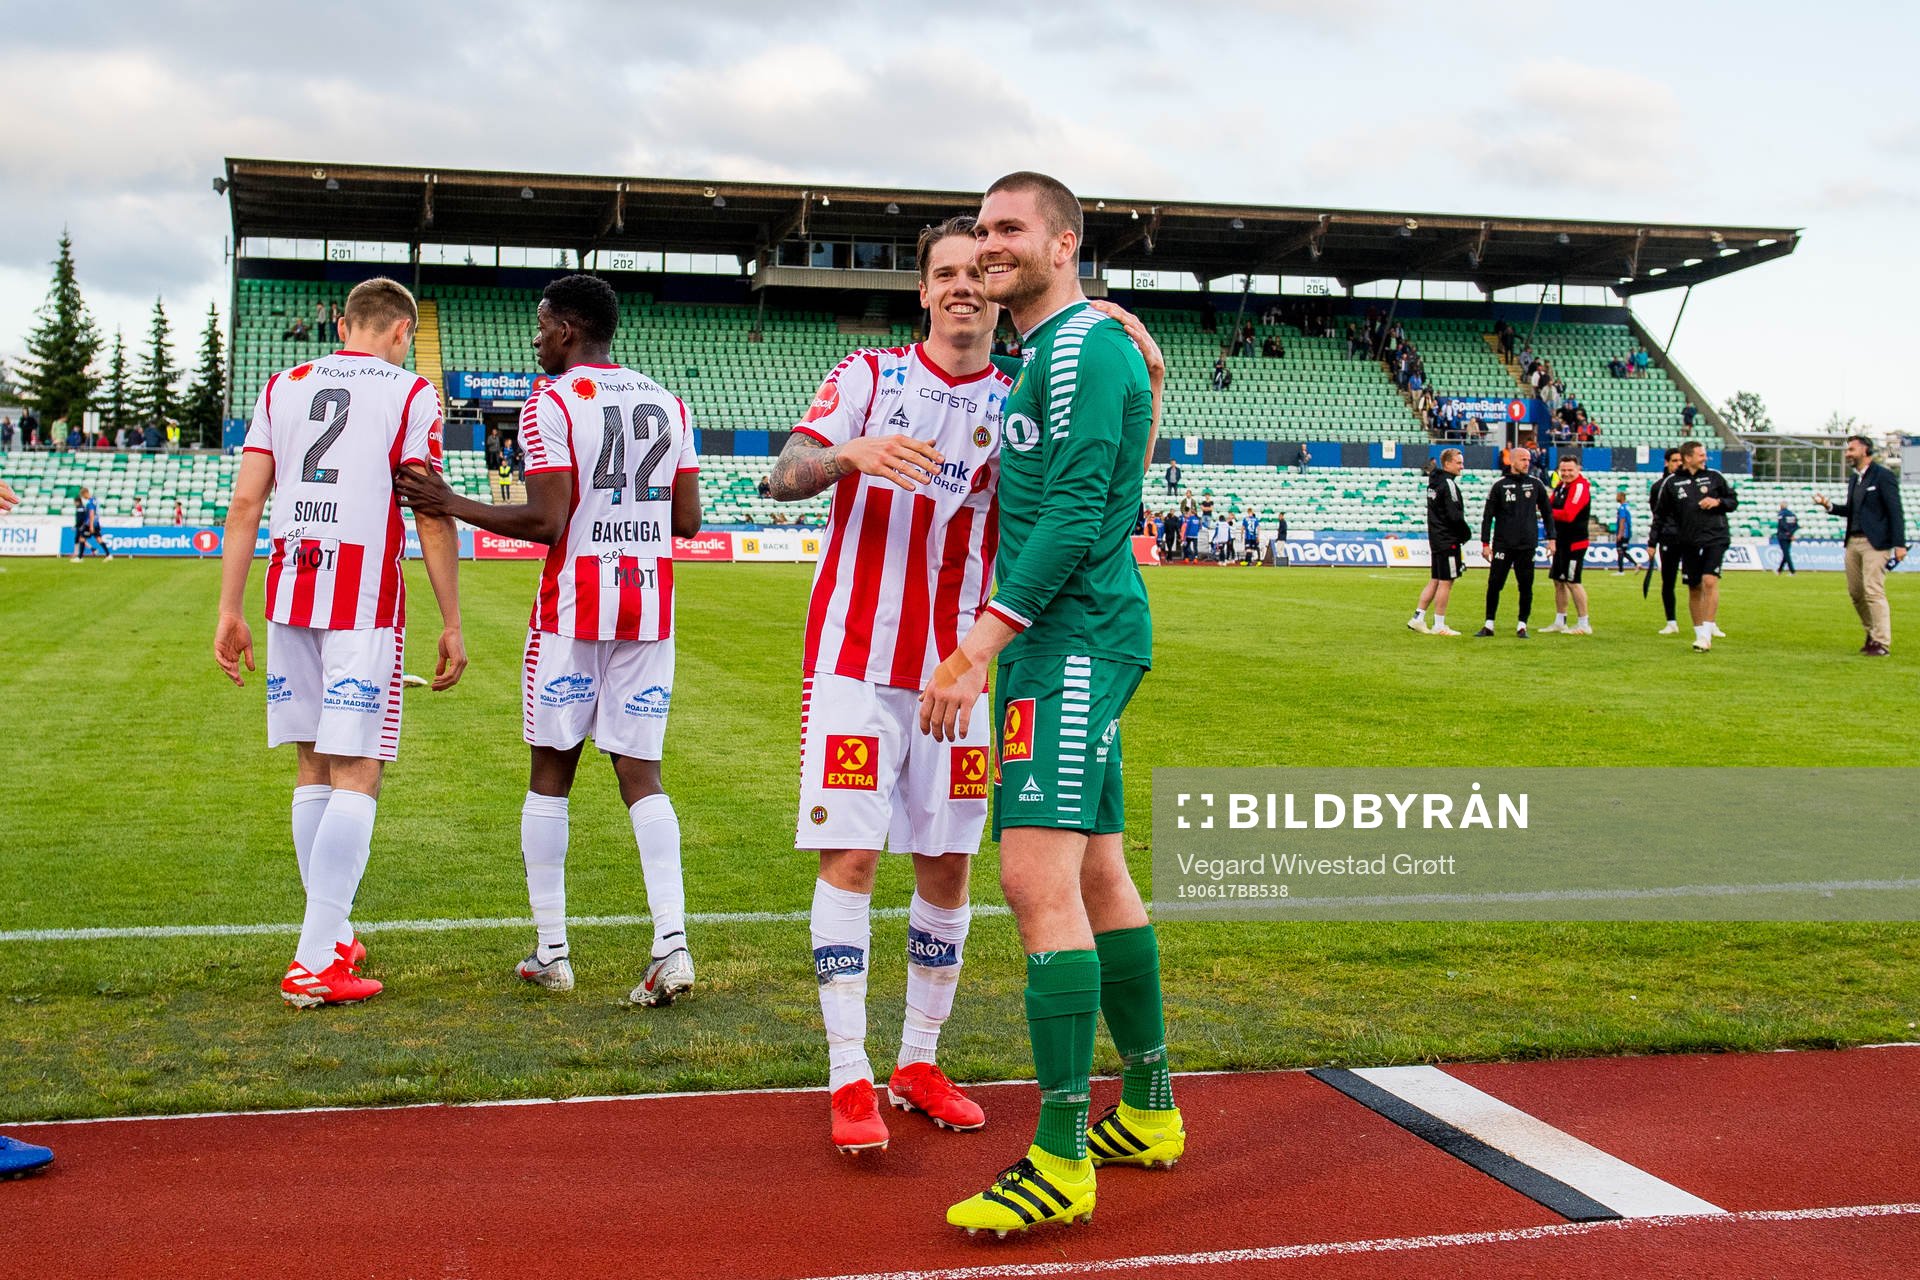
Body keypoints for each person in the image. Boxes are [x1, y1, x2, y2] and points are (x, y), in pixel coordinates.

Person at [922, 171, 1181, 1237]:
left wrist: (975, 649)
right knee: (1099, 871)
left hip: (1068, 641)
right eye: (982, 228)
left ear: (1064, 242)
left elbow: (1079, 515)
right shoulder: (1057, 353)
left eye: (1009, 228)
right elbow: (1116, 481)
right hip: (1068, 639)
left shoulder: (1078, 348)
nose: (989, 244)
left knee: (1034, 879)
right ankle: (1149, 1108)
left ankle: (1061, 1154)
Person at [760, 217, 1012, 1153]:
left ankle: (918, 1061)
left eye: (976, 273)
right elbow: (782, 476)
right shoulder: (868, 377)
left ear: (996, 291)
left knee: (948, 864)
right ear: (923, 291)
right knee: (854, 861)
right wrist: (850, 455)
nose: (962, 287)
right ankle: (848, 1074)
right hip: (855, 670)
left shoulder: (1018, 403)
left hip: (958, 676)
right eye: (945, 274)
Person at [395, 274, 701, 1003]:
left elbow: (546, 520)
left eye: (541, 326)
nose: (535, 340)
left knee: (550, 775)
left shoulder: (551, 402)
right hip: (648, 609)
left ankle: (553, 952)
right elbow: (687, 521)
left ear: (567, 328)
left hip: (573, 612)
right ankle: (672, 945)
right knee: (643, 775)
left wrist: (451, 502)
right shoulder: (667, 402)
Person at [214, 276, 466, 1008]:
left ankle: (334, 936)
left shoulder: (282, 386)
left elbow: (245, 502)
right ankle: (313, 962)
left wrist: (229, 608)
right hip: (362, 598)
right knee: (359, 769)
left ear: (343, 325)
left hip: (288, 589)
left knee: (314, 766)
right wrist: (452, 618)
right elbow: (428, 509)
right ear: (401, 332)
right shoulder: (411, 393)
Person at [1814, 435, 1908, 655]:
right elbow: (1852, 510)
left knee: (1873, 590)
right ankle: (1872, 633)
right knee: (1856, 593)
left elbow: (1895, 511)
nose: (1847, 453)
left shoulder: (1883, 476)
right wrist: (1829, 506)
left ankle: (1881, 642)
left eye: (1851, 449)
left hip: (1876, 543)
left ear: (1865, 451)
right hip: (1853, 542)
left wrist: (1899, 544)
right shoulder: (1855, 479)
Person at [1657, 441, 1738, 653]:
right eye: (1701, 455)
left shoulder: (1715, 477)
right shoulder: (1672, 483)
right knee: (1694, 587)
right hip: (1687, 541)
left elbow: (1733, 501)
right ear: (1688, 458)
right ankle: (1700, 634)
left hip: (1716, 537)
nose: (1705, 458)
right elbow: (1660, 515)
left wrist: (1718, 502)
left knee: (1709, 580)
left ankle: (1707, 634)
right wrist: (1652, 542)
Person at [1476, 446, 1555, 638]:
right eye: (1522, 459)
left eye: (1528, 459)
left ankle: (1522, 625)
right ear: (1512, 461)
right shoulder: (1499, 485)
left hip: (1527, 545)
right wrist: (1485, 544)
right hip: (1503, 544)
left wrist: (1552, 539)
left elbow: (1547, 513)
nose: (1527, 463)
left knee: (1526, 586)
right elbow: (1488, 516)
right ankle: (1489, 624)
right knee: (1495, 584)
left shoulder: (1536, 484)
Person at [1410, 448, 1469, 635]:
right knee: (1446, 582)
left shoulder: (1433, 482)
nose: (1462, 466)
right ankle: (1439, 625)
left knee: (1435, 579)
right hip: (1448, 539)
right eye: (1458, 463)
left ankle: (1418, 618)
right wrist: (1465, 534)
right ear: (1447, 464)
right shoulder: (1448, 484)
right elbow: (1454, 515)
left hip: (1436, 538)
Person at [1542, 455, 1593, 635]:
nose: (1566, 473)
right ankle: (1560, 621)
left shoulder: (1579, 487)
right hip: (1561, 541)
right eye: (1563, 470)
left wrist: (1546, 512)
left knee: (1573, 581)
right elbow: (1549, 505)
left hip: (1575, 543)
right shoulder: (1561, 486)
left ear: (1578, 469)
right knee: (1558, 581)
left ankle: (1584, 624)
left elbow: (1568, 514)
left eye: (1570, 470)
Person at [1648, 449, 1685, 634]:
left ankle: (1708, 622)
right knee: (1668, 581)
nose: (1678, 464)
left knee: (1700, 581)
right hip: (1668, 538)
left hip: (1690, 538)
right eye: (1674, 460)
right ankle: (1671, 622)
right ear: (1667, 463)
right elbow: (1657, 515)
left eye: (1680, 460)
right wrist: (1652, 542)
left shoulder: (1691, 484)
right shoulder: (1658, 487)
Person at [71, 487, 113, 560]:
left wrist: (91, 526)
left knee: (82, 538)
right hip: (96, 522)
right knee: (99, 539)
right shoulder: (95, 500)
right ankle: (108, 555)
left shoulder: (90, 502)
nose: (83, 498)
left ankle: (80, 557)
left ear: (85, 493)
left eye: (83, 496)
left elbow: (92, 513)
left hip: (90, 523)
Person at [1775, 503, 1800, 575]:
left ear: (1781, 506)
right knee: (1786, 553)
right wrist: (1791, 533)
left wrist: (1788, 532)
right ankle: (1779, 570)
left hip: (1782, 536)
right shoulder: (1792, 514)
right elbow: (1796, 526)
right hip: (1789, 537)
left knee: (1786, 554)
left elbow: (1781, 524)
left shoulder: (1781, 514)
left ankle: (1792, 571)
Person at [1613, 491, 1632, 575]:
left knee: (1620, 551)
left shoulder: (1622, 508)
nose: (1616, 498)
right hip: (1627, 532)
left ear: (1622, 497)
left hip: (1624, 533)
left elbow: (1622, 520)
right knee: (1623, 551)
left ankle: (1621, 571)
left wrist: (1620, 534)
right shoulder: (1627, 506)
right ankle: (1636, 564)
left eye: (1617, 496)